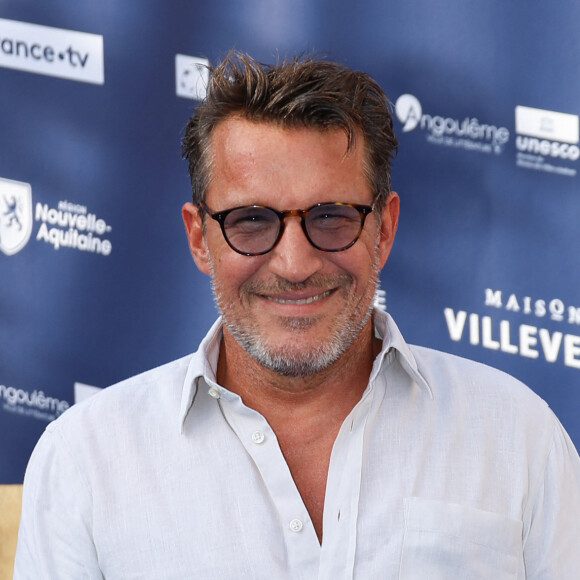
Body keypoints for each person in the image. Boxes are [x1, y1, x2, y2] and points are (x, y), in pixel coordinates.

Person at [14, 51, 580, 579]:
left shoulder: (520, 438)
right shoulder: (84, 461)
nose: (294, 263)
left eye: (331, 216)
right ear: (200, 238)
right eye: (251, 221)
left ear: (382, 230)